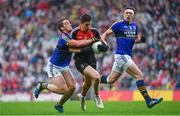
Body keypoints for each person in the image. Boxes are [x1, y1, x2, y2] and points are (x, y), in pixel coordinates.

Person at [100, 6, 163, 108]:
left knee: (110, 80)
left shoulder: (135, 26)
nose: (128, 14)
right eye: (127, 13)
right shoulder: (118, 24)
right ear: (123, 14)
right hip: (121, 55)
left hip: (126, 56)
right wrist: (103, 43)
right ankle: (148, 100)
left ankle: (93, 78)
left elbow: (134, 40)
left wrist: (141, 40)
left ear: (133, 16)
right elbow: (105, 34)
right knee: (139, 75)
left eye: (130, 13)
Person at [34, 18, 99, 113]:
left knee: (72, 87)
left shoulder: (71, 35)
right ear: (62, 28)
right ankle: (43, 85)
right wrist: (92, 40)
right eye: (66, 23)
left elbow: (73, 49)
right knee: (63, 90)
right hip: (54, 66)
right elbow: (76, 44)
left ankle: (59, 104)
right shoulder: (64, 38)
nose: (69, 24)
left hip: (64, 66)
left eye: (69, 22)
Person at [71, 14, 108, 111]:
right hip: (80, 60)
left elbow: (102, 41)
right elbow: (69, 49)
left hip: (91, 59)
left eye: (89, 25)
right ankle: (97, 96)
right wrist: (81, 51)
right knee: (96, 76)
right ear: (81, 24)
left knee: (87, 83)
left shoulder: (94, 31)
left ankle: (82, 96)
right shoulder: (74, 33)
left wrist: (105, 47)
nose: (88, 27)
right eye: (86, 25)